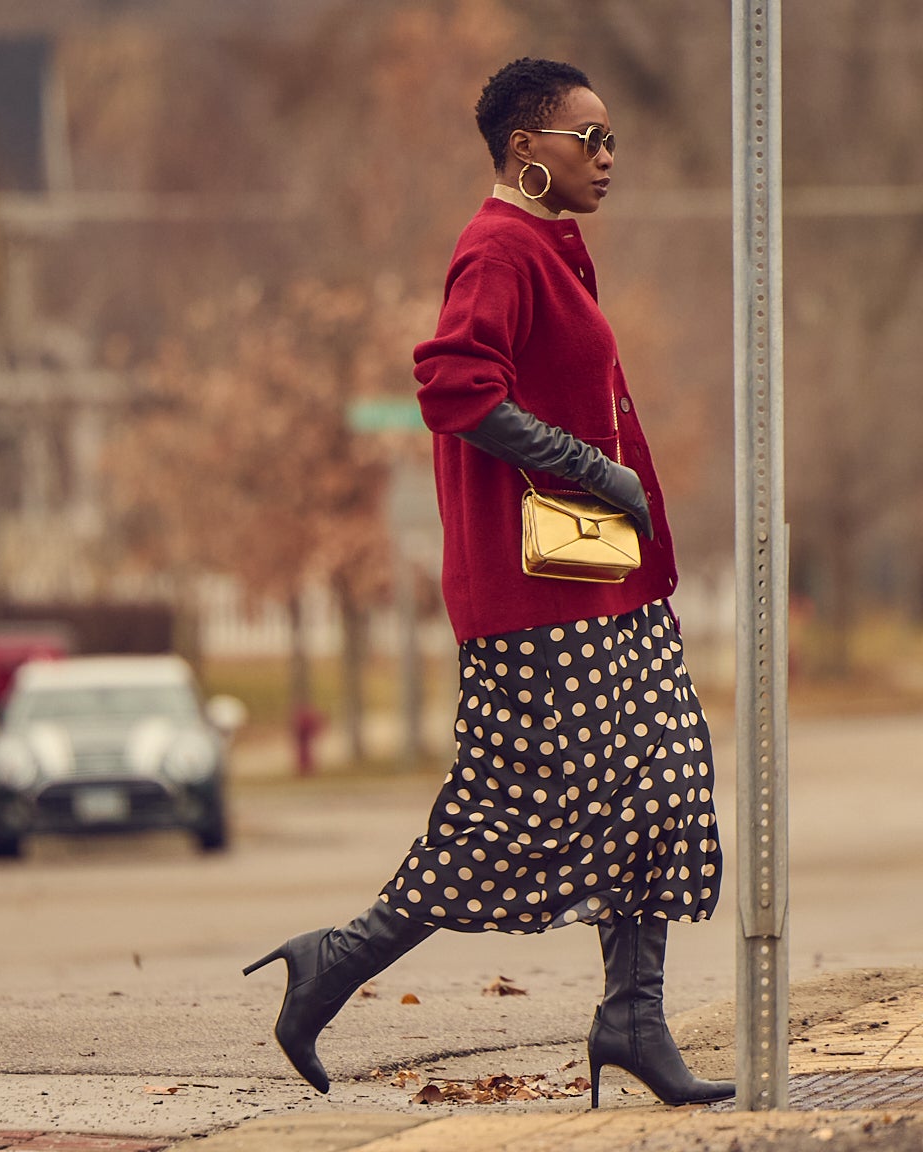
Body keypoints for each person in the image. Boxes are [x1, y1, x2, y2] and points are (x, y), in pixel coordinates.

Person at [243, 57, 732, 1109]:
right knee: (504, 817)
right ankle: (329, 962)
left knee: (659, 784)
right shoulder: (498, 247)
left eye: (611, 141)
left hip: (600, 583)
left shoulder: (552, 248)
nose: (607, 159)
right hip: (531, 597)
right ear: (526, 151)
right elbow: (452, 387)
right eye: (586, 140)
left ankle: (630, 1020)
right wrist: (591, 469)